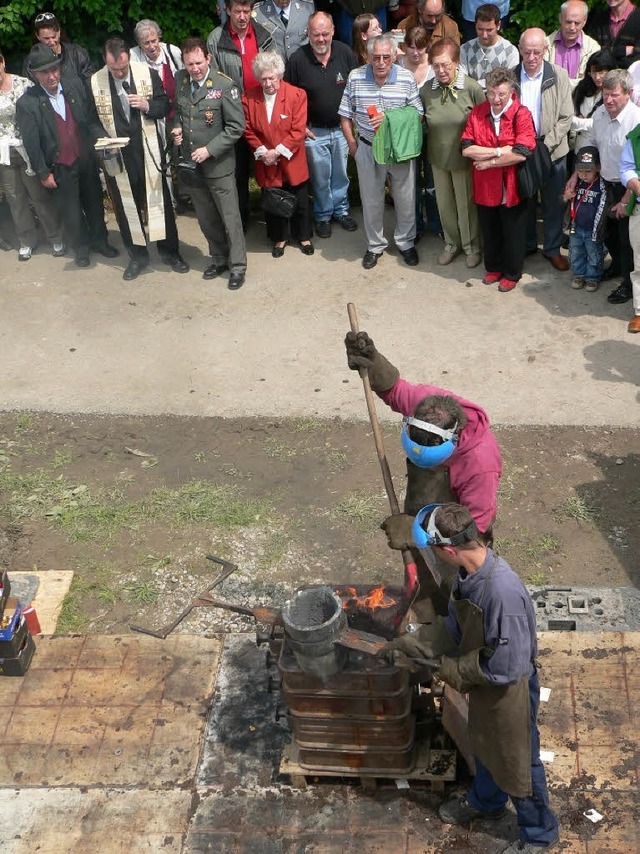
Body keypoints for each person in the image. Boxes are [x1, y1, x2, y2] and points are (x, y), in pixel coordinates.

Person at [384, 503, 560, 854]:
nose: (434, 557)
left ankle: (540, 834)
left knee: (518, 761)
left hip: (510, 691)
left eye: (434, 551)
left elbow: (506, 667)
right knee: (484, 744)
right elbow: (455, 624)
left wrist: (453, 670)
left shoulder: (502, 593)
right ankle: (487, 803)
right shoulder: (467, 575)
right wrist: (416, 645)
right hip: (486, 685)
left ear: (449, 549)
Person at [344, 330, 502, 618]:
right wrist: (373, 361)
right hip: (424, 510)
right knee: (421, 576)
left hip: (455, 536)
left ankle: (449, 623)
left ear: (453, 442)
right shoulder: (427, 404)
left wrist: (419, 532)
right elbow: (393, 388)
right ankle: (424, 609)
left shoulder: (480, 463)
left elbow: (472, 529)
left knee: (451, 586)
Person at [90, 37, 188, 281]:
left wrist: (147, 105)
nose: (120, 72)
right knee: (125, 206)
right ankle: (138, 256)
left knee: (160, 202)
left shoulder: (146, 73)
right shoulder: (95, 82)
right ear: (105, 61)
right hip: (117, 152)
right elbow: (89, 120)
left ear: (128, 57)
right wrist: (103, 139)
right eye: (115, 69)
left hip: (146, 147)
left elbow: (165, 105)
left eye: (123, 67)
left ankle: (170, 252)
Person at [16, 44, 118, 268]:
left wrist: (102, 141)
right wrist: (43, 172)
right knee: (70, 210)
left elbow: (91, 119)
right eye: (45, 72)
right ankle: (81, 248)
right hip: (59, 164)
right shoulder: (27, 103)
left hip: (85, 158)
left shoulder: (75, 86)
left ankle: (100, 241)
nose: (52, 76)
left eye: (55, 70)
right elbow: (32, 143)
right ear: (34, 75)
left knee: (94, 203)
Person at [339, 34, 423, 270]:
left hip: (399, 149)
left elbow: (418, 114)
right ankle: (375, 246)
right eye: (376, 57)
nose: (381, 62)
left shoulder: (406, 78)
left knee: (405, 199)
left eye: (387, 57)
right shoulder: (355, 77)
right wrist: (353, 147)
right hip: (366, 146)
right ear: (367, 56)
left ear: (395, 56)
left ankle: (406, 243)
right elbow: (345, 114)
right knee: (371, 200)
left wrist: (391, 119)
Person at [171, 38, 247, 290]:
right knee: (205, 218)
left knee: (229, 217)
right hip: (192, 166)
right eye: (189, 63)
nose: (194, 68)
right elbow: (180, 114)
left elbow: (236, 127)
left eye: (198, 62)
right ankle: (218, 258)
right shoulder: (181, 80)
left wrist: (209, 150)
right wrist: (177, 130)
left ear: (208, 59)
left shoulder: (225, 85)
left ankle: (237, 266)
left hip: (219, 166)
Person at [461, 67, 537, 292]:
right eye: (491, 93)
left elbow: (522, 152)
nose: (496, 99)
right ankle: (493, 266)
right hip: (485, 185)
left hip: (512, 184)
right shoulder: (477, 112)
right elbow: (466, 148)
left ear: (511, 92)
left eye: (501, 94)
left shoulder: (521, 114)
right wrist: (499, 151)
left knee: (513, 229)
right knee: (490, 226)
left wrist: (489, 161)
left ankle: (512, 272)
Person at [285, 11, 358, 238]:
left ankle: (342, 211)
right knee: (320, 177)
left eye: (325, 33)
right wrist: (300, 126)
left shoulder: (345, 53)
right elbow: (287, 97)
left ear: (333, 30)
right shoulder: (298, 59)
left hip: (342, 128)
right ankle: (323, 216)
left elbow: (356, 87)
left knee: (341, 174)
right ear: (308, 33)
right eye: (316, 34)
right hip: (313, 131)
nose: (321, 39)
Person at [207, 0, 276, 230]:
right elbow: (213, 81)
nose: (242, 16)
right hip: (232, 114)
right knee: (237, 173)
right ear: (227, 10)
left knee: (267, 168)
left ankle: (273, 220)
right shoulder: (216, 38)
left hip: (261, 110)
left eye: (246, 11)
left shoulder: (264, 34)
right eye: (237, 11)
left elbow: (274, 71)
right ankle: (240, 221)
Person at [242, 51, 314, 258]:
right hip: (266, 160)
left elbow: (298, 129)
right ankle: (279, 237)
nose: (268, 83)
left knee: (299, 198)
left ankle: (304, 236)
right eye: (263, 78)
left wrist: (278, 152)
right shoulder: (248, 97)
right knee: (273, 200)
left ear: (279, 76)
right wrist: (265, 153)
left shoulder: (297, 95)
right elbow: (247, 129)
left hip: (292, 157)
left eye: (271, 78)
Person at [421, 37, 484, 268]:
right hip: (437, 158)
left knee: (466, 205)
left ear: (456, 62)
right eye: (436, 65)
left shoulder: (471, 88)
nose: (441, 70)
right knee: (444, 205)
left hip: (464, 159)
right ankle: (451, 244)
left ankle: (472, 247)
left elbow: (484, 123)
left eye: (445, 64)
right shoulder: (427, 90)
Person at [516, 28, 574, 271]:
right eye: (527, 52)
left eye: (536, 52)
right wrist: (522, 145)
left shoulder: (559, 75)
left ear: (545, 51)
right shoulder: (511, 76)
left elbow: (566, 117)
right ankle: (528, 244)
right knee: (525, 200)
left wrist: (546, 145)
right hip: (522, 149)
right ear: (519, 50)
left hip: (552, 149)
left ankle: (551, 249)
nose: (531, 57)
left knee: (553, 202)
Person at [0, 48, 65, 261]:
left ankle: (55, 236)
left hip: (27, 151)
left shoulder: (23, 85)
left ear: (2, 62)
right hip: (4, 155)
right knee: (15, 199)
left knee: (39, 196)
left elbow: (39, 111)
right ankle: (27, 240)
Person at [582, 68, 640, 304]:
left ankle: (628, 285)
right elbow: (593, 145)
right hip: (605, 182)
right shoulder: (599, 115)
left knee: (628, 241)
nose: (608, 100)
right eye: (605, 94)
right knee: (608, 234)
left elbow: (637, 165)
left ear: (628, 93)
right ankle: (617, 267)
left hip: (629, 189)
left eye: (614, 94)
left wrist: (626, 199)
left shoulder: (636, 120)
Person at [396, 25, 442, 241]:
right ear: (404, 46)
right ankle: (414, 226)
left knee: (433, 182)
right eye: (411, 47)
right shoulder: (397, 65)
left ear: (428, 47)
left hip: (432, 132)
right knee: (410, 183)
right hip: (406, 133)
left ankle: (436, 223)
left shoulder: (435, 67)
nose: (415, 53)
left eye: (420, 48)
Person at [562, 146, 609, 292]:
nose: (584, 175)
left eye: (588, 171)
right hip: (576, 227)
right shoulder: (576, 182)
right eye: (580, 171)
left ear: (598, 168)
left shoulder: (602, 185)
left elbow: (603, 208)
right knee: (576, 252)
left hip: (593, 229)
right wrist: (566, 197)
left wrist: (597, 230)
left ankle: (592, 277)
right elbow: (565, 201)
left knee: (594, 253)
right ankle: (579, 274)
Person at [460, 3, 519, 92]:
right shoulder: (465, 49)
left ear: (498, 25)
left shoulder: (510, 52)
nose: (484, 35)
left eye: (489, 30)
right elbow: (462, 80)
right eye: (480, 29)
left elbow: (508, 83)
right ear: (475, 25)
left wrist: (477, 85)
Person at [24, 11, 93, 87]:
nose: (52, 42)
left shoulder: (77, 53)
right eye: (46, 38)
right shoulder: (31, 62)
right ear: (38, 36)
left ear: (59, 32)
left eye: (54, 37)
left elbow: (89, 83)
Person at [570, 49, 618, 156]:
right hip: (580, 149)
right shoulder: (581, 89)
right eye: (593, 72)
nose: (597, 77)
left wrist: (577, 122)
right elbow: (568, 116)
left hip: (603, 151)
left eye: (601, 72)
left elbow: (601, 123)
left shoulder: (616, 94)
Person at [545, 1, 601, 90]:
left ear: (584, 22)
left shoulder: (593, 48)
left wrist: (558, 82)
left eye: (577, 23)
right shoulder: (545, 45)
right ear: (560, 18)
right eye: (568, 22)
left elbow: (591, 82)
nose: (572, 27)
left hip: (580, 100)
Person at [620, 122, 640, 331]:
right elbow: (626, 168)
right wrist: (636, 185)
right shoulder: (635, 136)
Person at [585, 0, 640, 70]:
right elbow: (591, 53)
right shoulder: (598, 19)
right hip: (601, 79)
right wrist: (622, 51)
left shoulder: (638, 19)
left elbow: (637, 58)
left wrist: (606, 55)